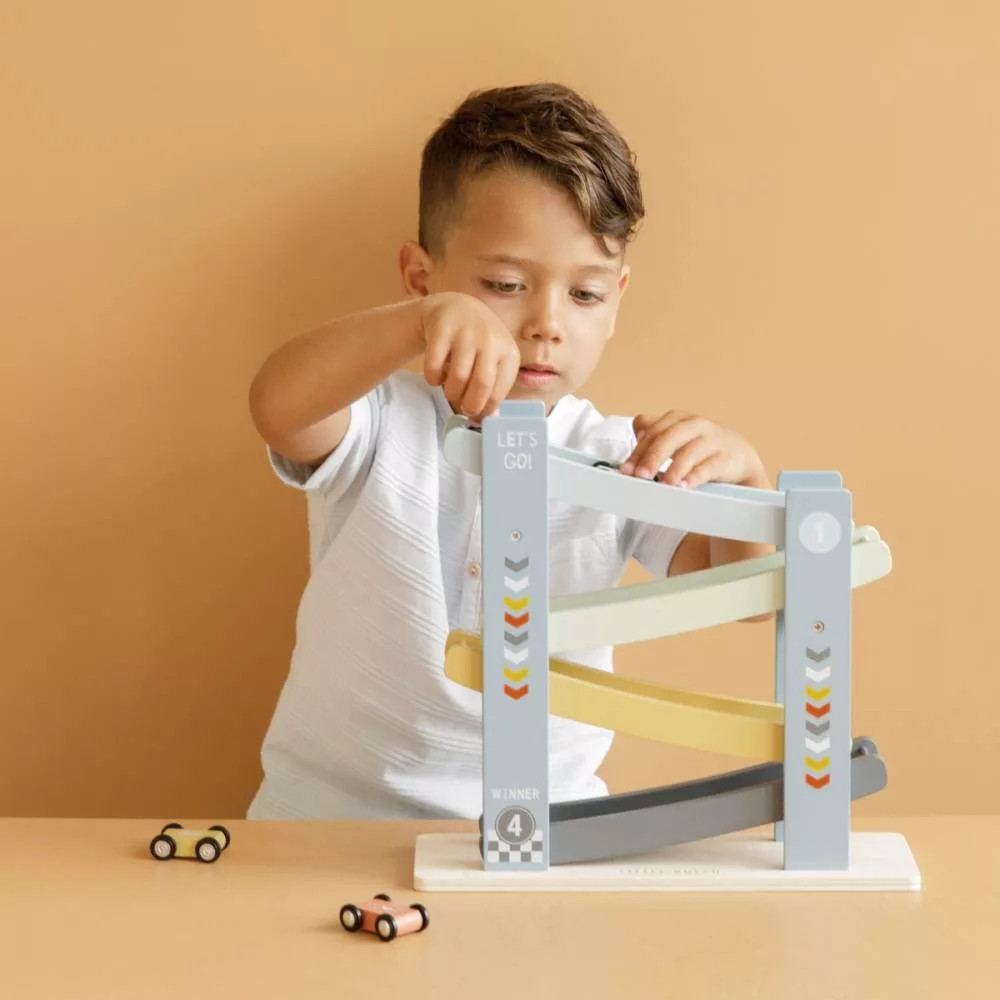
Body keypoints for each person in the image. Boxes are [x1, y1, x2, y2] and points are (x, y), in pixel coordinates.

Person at [246, 81, 774, 821]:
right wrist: (417, 324)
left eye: (585, 295)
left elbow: (743, 596)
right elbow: (279, 407)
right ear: (420, 278)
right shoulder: (381, 420)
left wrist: (745, 477)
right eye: (504, 284)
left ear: (617, 301)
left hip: (549, 828)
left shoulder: (618, 457)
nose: (545, 324)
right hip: (329, 821)